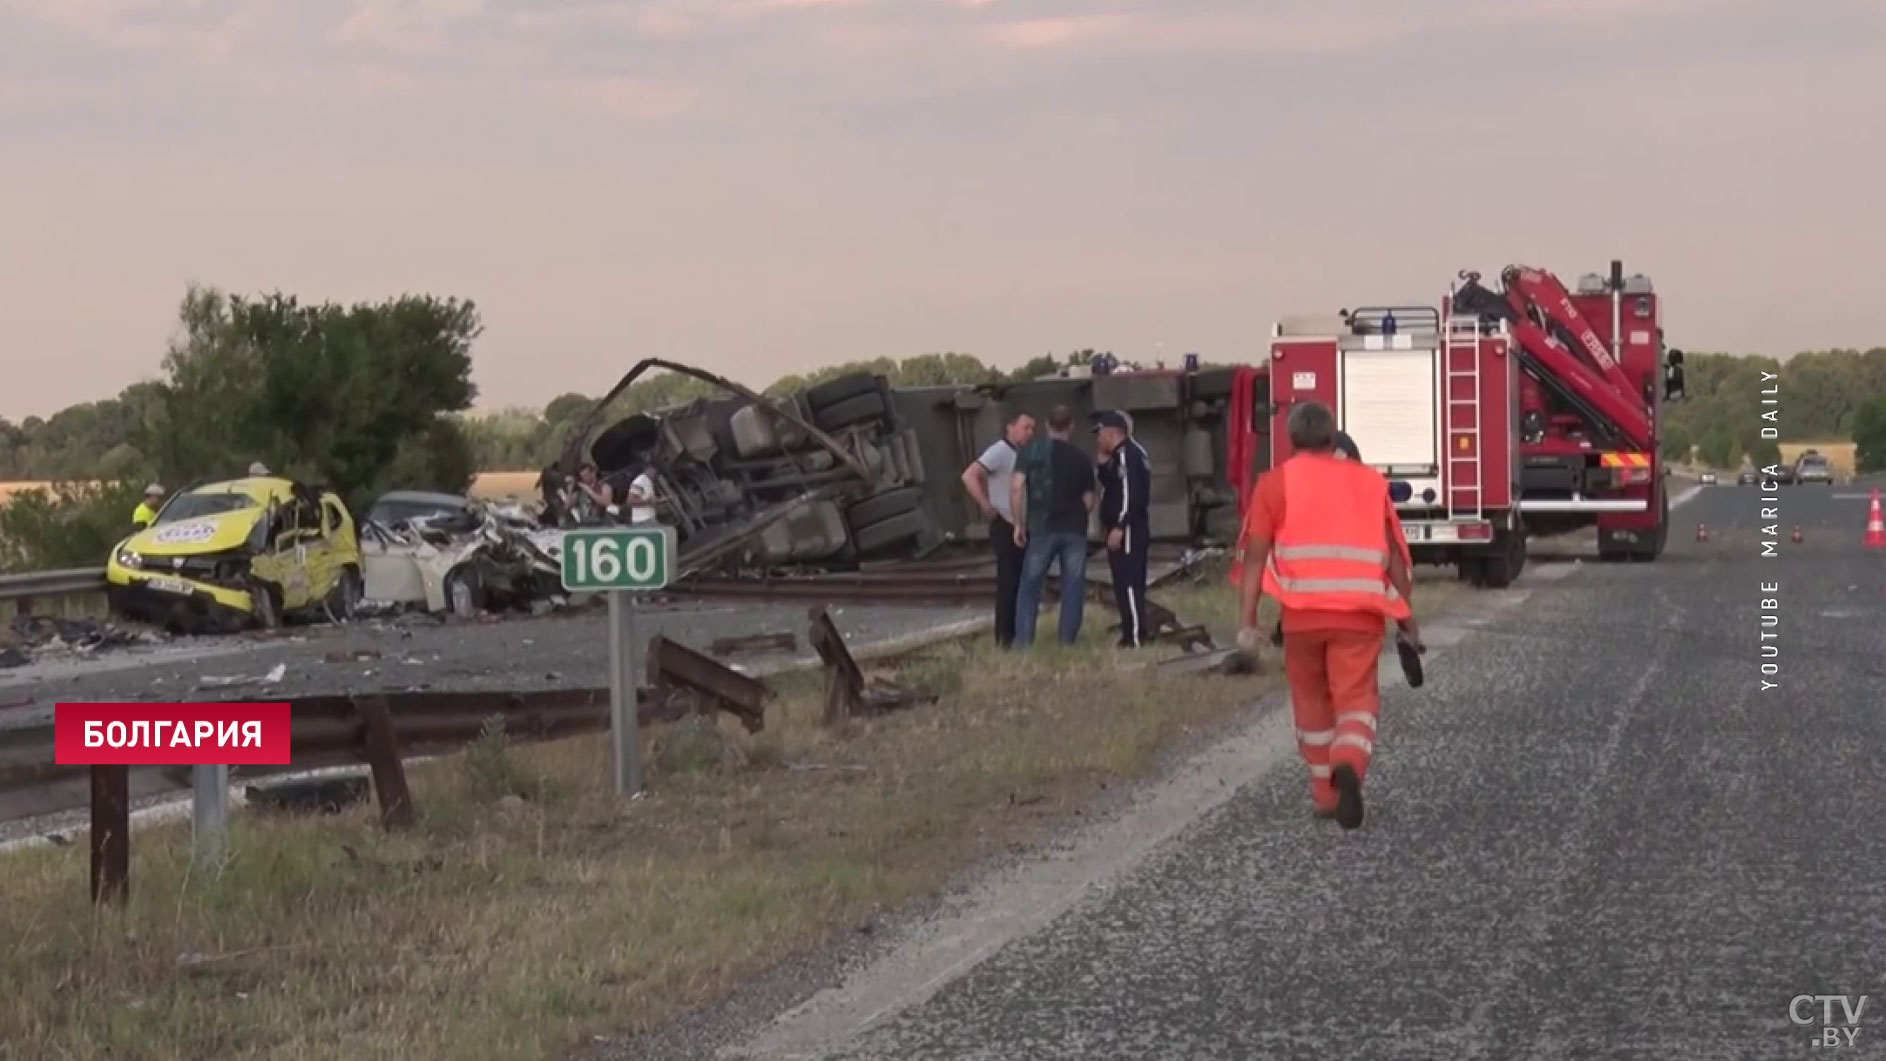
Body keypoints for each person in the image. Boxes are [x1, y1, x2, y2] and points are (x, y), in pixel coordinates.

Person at [1236, 401, 1420, 830]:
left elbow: (1254, 559)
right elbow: (1394, 559)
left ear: (1291, 438)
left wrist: (1248, 622)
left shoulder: (1274, 484)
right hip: (1359, 617)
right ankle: (1349, 761)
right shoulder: (1371, 482)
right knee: (1355, 699)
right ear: (1332, 437)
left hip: (1302, 618)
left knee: (1312, 703)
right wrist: (1407, 619)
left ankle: (1324, 795)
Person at [1010, 404, 1098, 647]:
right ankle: (1066, 641)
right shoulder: (1082, 458)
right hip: (1073, 530)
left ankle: (1024, 642)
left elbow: (1017, 487)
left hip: (1041, 527)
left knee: (1029, 586)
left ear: (1047, 425)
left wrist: (1019, 523)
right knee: (1073, 585)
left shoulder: (1030, 452)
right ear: (1071, 427)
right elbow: (1089, 500)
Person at [960, 412, 1036, 648]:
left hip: (1021, 524)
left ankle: (1019, 633)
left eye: (1032, 429)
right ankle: (1004, 637)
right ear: (1010, 428)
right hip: (1005, 524)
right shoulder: (1000, 451)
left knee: (1022, 581)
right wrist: (984, 503)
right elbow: (970, 474)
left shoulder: (1022, 454)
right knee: (1008, 581)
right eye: (1025, 428)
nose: (1029, 433)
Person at [1093, 409, 1151, 648]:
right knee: (1122, 581)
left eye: (1100, 434)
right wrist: (1103, 466)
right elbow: (1114, 485)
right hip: (1123, 526)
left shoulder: (1128, 455)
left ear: (1111, 433)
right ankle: (1130, 630)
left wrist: (1120, 525)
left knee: (1128, 581)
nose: (1098, 439)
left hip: (1128, 529)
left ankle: (1136, 636)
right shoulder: (1123, 455)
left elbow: (1131, 494)